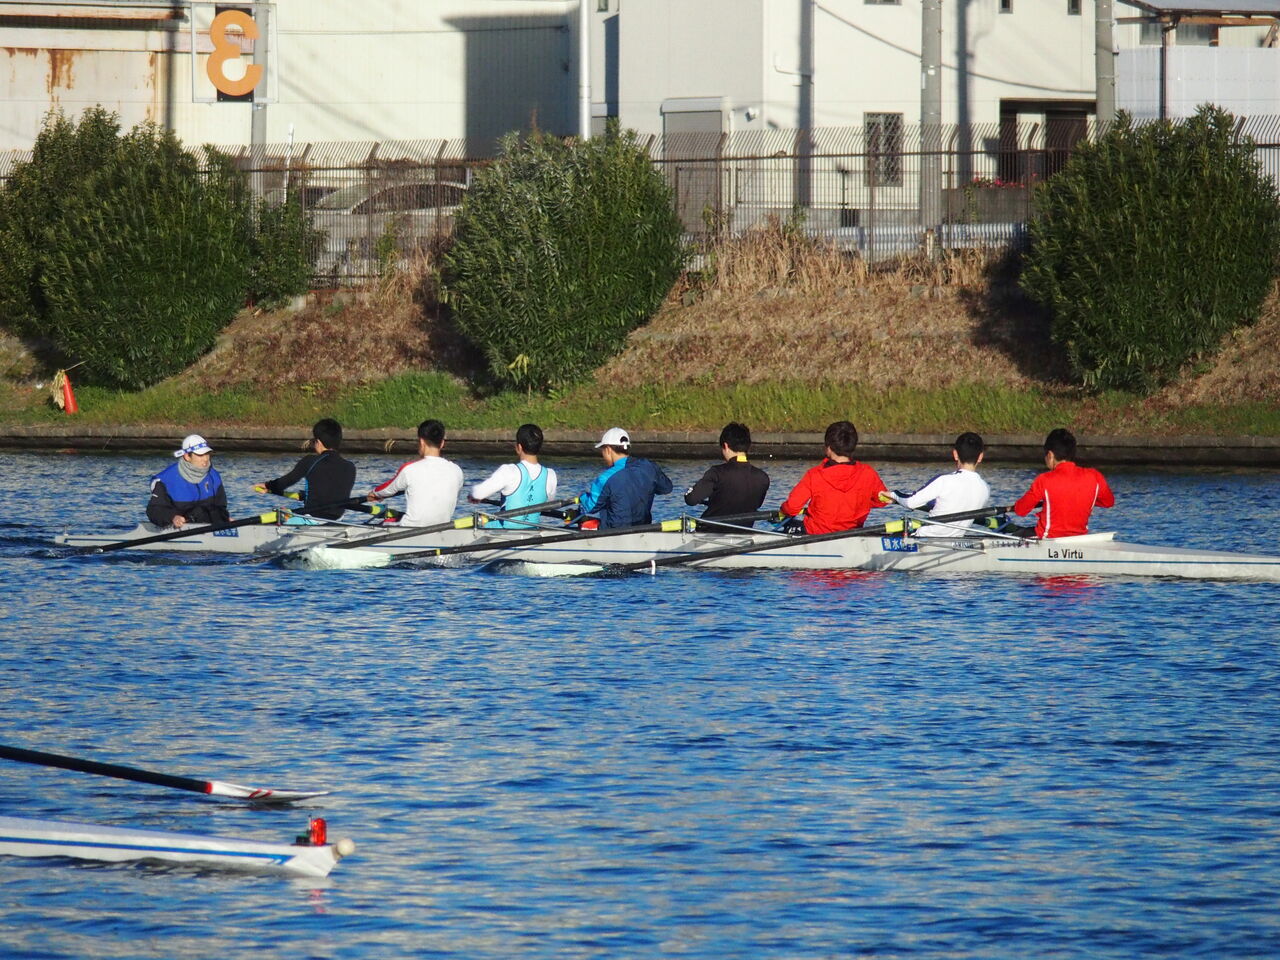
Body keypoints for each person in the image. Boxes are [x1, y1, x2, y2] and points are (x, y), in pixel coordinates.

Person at [780, 420, 887, 535]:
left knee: (786, 523)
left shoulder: (815, 475)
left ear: (829, 448)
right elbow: (883, 501)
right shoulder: (868, 473)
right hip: (852, 533)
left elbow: (792, 507)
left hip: (815, 533)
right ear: (853, 446)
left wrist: (782, 511)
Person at [880, 431, 991, 537]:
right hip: (955, 540)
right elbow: (946, 505)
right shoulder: (985, 488)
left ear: (955, 454)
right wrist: (897, 501)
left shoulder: (944, 481)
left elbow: (910, 502)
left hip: (925, 538)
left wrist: (895, 495)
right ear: (980, 457)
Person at [1013, 427, 1115, 539]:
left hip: (1048, 538)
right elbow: (1108, 502)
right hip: (1079, 539)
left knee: (1014, 534)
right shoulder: (1094, 476)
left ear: (1050, 455)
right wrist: (1077, 498)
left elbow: (1020, 510)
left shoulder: (1044, 480)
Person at [253, 418, 356, 522]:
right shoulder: (350, 467)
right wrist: (304, 495)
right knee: (287, 514)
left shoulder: (310, 461)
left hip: (311, 519)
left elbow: (284, 483)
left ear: (318, 442)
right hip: (337, 521)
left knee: (277, 517)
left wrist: (267, 485)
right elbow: (331, 492)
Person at [366, 419, 464, 527]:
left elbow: (387, 490)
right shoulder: (457, 471)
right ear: (442, 443)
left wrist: (374, 493)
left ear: (421, 442)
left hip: (410, 528)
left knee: (382, 523)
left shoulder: (410, 469)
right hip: (442, 528)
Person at [578, 427, 673, 529]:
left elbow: (591, 507)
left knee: (584, 522)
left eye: (602, 450)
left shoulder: (605, 478)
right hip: (644, 529)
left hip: (613, 532)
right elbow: (667, 488)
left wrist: (582, 497)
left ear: (608, 450)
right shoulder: (649, 466)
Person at [468, 423, 558, 528]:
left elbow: (478, 493)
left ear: (519, 447)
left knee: (477, 520)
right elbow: (548, 507)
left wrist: (473, 495)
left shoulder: (509, 471)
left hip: (503, 534)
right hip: (532, 533)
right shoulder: (550, 475)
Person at [684, 421, 770, 520]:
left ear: (725, 446)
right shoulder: (762, 478)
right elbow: (757, 505)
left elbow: (691, 499)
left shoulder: (717, 473)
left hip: (710, 531)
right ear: (748, 446)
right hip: (744, 531)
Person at [147, 434, 230, 529]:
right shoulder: (166, 480)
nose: (206, 459)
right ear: (187, 456)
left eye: (207, 454)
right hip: (180, 528)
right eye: (200, 455)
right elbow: (154, 510)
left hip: (210, 527)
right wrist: (173, 517)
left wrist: (225, 519)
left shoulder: (214, 476)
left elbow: (220, 506)